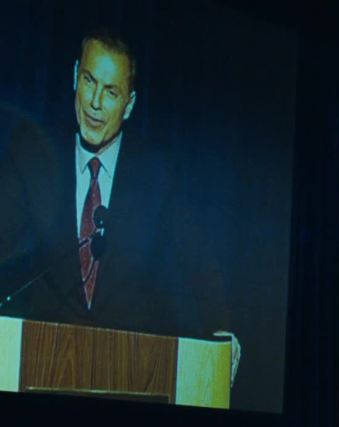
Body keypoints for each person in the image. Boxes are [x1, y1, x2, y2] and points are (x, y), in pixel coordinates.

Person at [0, 29, 240, 382]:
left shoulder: (157, 173)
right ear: (75, 76)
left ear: (129, 104)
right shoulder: (33, 152)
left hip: (130, 370)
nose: (95, 103)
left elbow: (198, 260)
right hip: (46, 363)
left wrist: (220, 328)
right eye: (89, 81)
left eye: (111, 92)